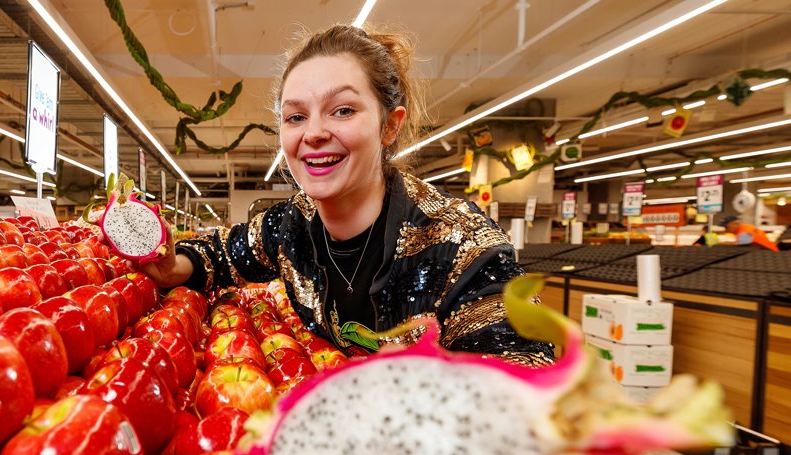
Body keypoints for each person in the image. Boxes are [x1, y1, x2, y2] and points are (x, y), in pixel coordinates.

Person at [141, 24, 553, 366]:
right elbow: (226, 253)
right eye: (296, 116)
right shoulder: (292, 226)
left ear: (389, 126)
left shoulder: (459, 246)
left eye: (342, 110)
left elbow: (526, 386)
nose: (314, 132)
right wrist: (173, 265)